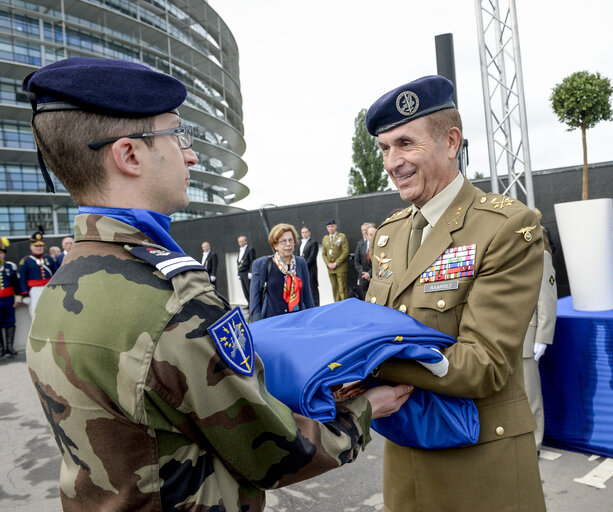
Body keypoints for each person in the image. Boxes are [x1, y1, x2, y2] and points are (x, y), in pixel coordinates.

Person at [22, 56, 412, 511]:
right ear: (129, 155)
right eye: (176, 134)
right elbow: (277, 454)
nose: (190, 154)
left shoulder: (59, 287)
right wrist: (366, 409)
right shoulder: (173, 299)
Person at [364, 75, 546, 511]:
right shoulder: (388, 234)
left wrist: (366, 358)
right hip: (406, 454)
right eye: (385, 148)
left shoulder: (504, 227)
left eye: (405, 144)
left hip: (479, 459)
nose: (392, 162)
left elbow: (484, 364)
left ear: (451, 142)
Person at [522, 249, 557, 452]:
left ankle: (533, 443)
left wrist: (543, 336)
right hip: (501, 336)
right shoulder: (500, 248)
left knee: (529, 392)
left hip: (527, 334)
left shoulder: (538, 254)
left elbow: (547, 297)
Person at [249, 223, 314, 320]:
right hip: (272, 322)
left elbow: (307, 296)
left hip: (298, 320)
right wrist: (256, 323)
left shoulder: (301, 263)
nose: (288, 244)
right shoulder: (262, 264)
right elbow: (254, 299)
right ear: (275, 245)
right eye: (283, 241)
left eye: (291, 240)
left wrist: (312, 318)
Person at [19, 230, 57, 319]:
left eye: (41, 245)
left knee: (51, 314)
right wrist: (25, 294)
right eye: (36, 246)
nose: (39, 248)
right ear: (31, 247)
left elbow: (56, 275)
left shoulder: (50, 259)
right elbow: (22, 279)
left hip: (49, 289)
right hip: (34, 291)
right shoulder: (26, 261)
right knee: (36, 315)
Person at [0, 240, 20, 357]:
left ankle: (9, 347)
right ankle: (1, 349)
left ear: (4, 254)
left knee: (10, 323)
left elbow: (16, 285)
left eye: (1, 252)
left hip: (8, 300)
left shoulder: (10, 266)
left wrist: (17, 299)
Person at [321, 219, 348, 302]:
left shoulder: (341, 237)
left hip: (340, 267)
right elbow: (323, 254)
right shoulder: (325, 238)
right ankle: (336, 305)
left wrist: (336, 263)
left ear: (335, 226)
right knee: (335, 288)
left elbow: (345, 251)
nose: (331, 228)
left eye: (332, 226)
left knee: (342, 289)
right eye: (328, 227)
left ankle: (344, 305)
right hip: (330, 269)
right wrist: (328, 264)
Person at [353, 223, 374, 298]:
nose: (364, 232)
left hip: (374, 277)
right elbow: (356, 261)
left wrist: (369, 274)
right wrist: (364, 274)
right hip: (363, 277)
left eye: (373, 234)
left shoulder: (378, 246)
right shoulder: (360, 244)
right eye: (363, 230)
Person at [236, 234, 256, 303]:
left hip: (247, 272)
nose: (240, 243)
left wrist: (251, 272)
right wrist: (238, 273)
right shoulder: (240, 251)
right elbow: (238, 262)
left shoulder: (250, 249)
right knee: (244, 290)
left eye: (242, 241)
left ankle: (252, 304)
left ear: (246, 241)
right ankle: (249, 304)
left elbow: (252, 261)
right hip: (241, 273)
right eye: (239, 242)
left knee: (249, 289)